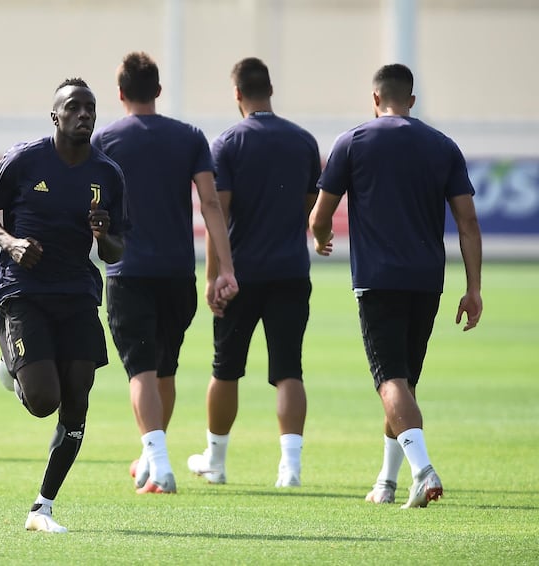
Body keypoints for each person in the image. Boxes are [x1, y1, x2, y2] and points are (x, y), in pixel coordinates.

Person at [309, 63, 483, 508]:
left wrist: (322, 237)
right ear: (411, 100)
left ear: (374, 99)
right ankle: (387, 482)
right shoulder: (443, 146)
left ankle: (423, 471)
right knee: (403, 382)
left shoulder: (353, 141)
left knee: (389, 380)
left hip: (377, 279)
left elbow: (320, 216)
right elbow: (468, 224)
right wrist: (474, 288)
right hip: (428, 281)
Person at [0, 78, 127, 533]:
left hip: (78, 291)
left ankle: (42, 507)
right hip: (22, 289)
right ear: (55, 116)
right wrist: (11, 241)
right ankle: (14, 369)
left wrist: (103, 236)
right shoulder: (26, 159)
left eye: (90, 108)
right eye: (74, 107)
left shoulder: (108, 173)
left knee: (76, 395)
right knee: (43, 401)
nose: (84, 115)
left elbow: (117, 251)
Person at [91, 51, 238, 495]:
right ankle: (150, 459)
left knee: (140, 372)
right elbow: (211, 204)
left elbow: (90, 206)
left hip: (127, 270)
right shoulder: (189, 137)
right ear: (158, 91)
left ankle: (160, 464)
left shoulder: (104, 141)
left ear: (120, 94)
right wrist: (225, 268)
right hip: (178, 273)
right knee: (163, 370)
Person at [186, 57, 321, 488]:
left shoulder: (227, 144)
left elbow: (217, 217)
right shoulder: (303, 142)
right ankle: (291, 468)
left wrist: (213, 277)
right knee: (289, 370)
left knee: (225, 369)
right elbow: (309, 209)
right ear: (271, 91)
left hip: (240, 273)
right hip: (291, 271)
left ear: (237, 94)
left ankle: (217, 461)